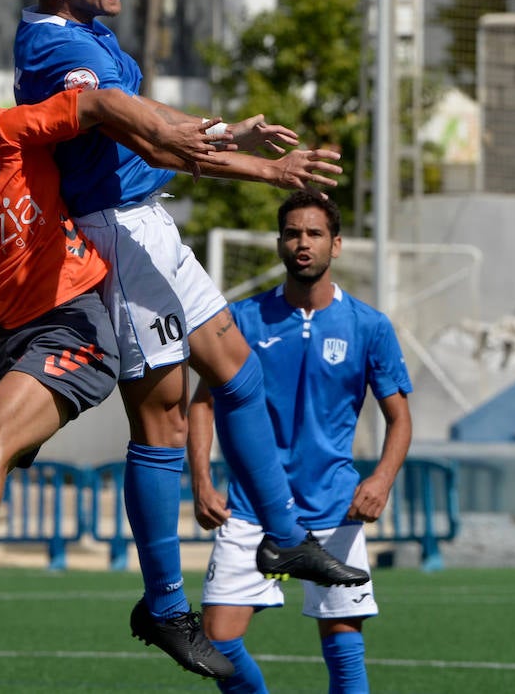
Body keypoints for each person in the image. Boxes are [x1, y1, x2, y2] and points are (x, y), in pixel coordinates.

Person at [0, 72, 337, 691]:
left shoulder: (1, 135)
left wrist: (229, 139)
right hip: (17, 345)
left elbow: (105, 106)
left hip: (78, 327)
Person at [13, 0, 370, 676]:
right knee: (164, 418)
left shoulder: (89, 34)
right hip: (113, 231)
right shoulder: (58, 48)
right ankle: (165, 604)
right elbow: (149, 138)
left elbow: (158, 124)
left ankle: (282, 536)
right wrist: (261, 166)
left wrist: (233, 135)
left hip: (148, 221)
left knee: (238, 369)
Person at [187, 191, 412, 694]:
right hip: (252, 509)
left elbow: (399, 420)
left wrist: (381, 480)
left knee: (344, 653)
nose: (302, 243)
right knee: (217, 642)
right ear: (279, 244)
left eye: (314, 233)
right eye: (292, 234)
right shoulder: (242, 319)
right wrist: (201, 480)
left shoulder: (369, 326)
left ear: (336, 244)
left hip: (334, 506)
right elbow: (202, 403)